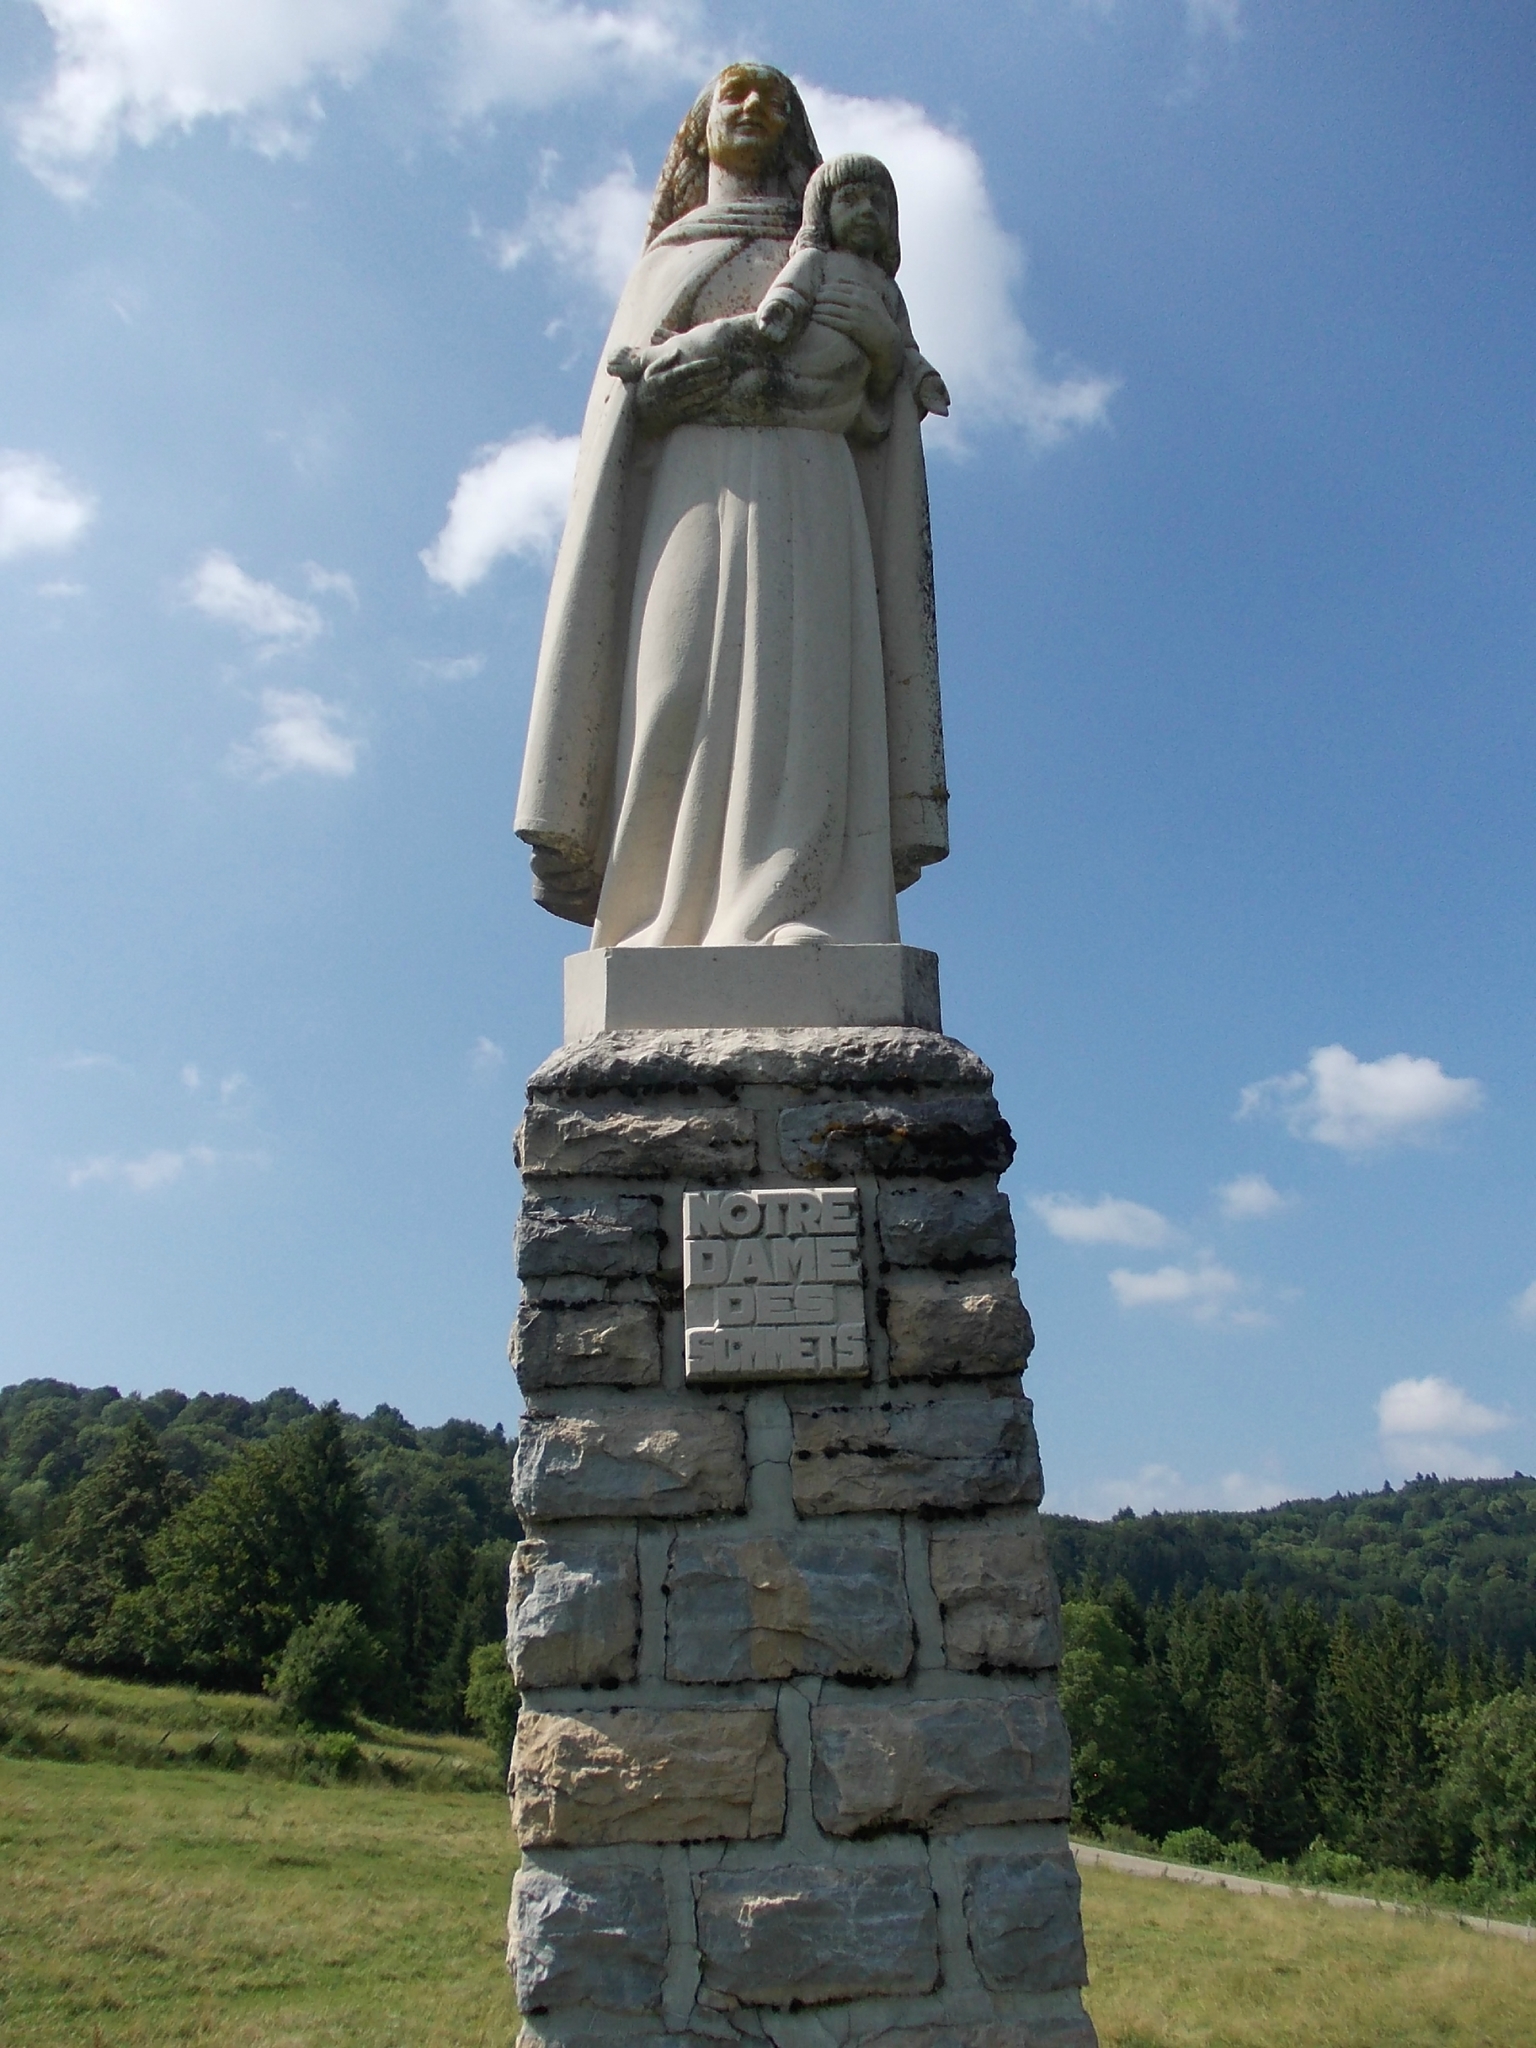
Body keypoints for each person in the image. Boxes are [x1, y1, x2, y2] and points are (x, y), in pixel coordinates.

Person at [514, 64, 949, 947]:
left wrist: (825, 382)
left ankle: (802, 903)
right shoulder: (668, 259)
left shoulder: (834, 256)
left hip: (810, 474)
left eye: (776, 102)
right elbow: (624, 404)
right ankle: (659, 920)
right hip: (690, 484)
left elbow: (886, 381)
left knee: (808, 688)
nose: (755, 109)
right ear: (698, 130)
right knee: (677, 686)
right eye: (734, 96)